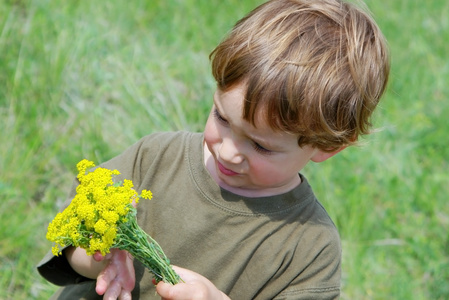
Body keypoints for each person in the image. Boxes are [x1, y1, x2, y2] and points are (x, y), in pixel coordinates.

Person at [37, 0, 390, 299]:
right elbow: (69, 241)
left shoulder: (309, 246)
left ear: (326, 148)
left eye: (260, 146)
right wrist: (100, 256)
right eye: (222, 117)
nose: (228, 152)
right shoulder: (156, 156)